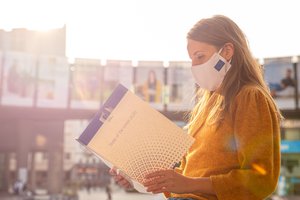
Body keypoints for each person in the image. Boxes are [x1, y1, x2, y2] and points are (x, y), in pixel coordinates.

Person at [110, 15, 282, 200]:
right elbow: (187, 175)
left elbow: (261, 179)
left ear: (227, 52)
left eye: (200, 56)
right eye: (192, 59)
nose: (194, 66)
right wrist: (140, 179)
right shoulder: (207, 106)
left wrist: (188, 184)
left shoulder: (250, 97)